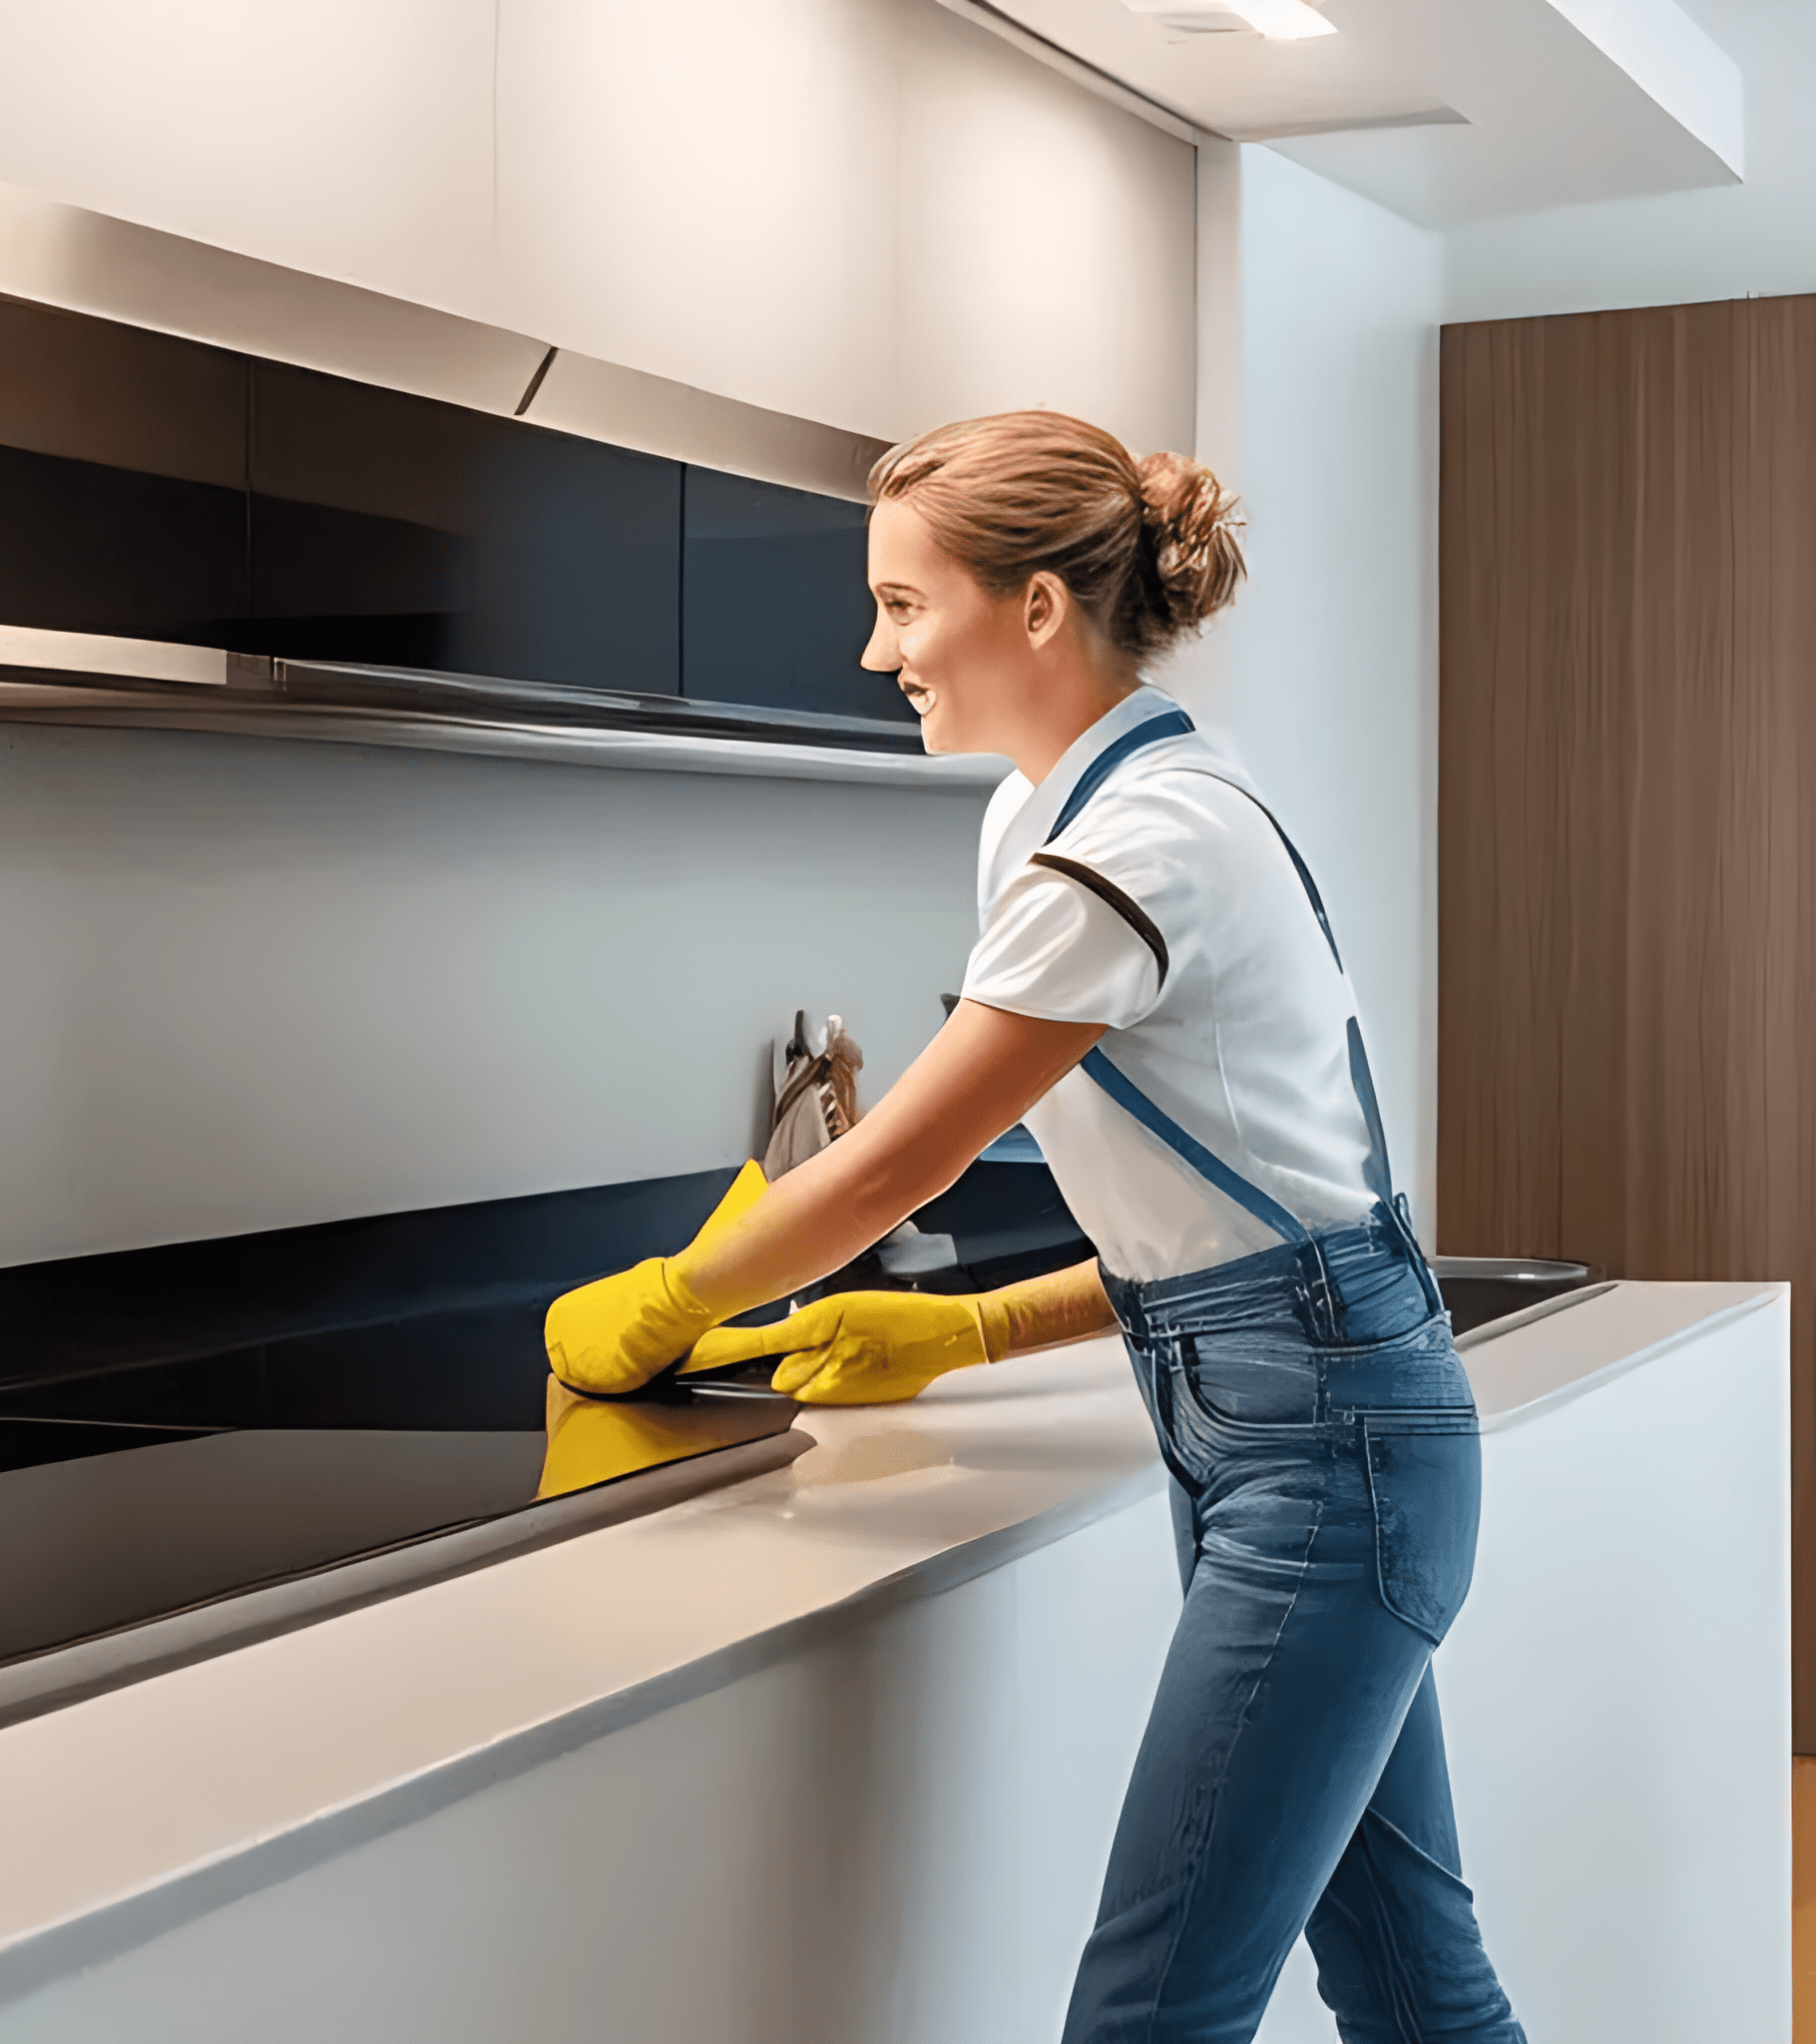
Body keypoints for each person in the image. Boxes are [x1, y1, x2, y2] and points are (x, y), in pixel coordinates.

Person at [543, 411, 1526, 2044]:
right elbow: (1217, 1229)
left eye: (906, 604)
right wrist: (979, 1327)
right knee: (1414, 1987)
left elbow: (884, 1175)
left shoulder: (1137, 844)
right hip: (1295, 1427)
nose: (878, 649)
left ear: (1041, 610)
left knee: (1152, 2015)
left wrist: (661, 1298)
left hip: (1327, 1453)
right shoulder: (1059, 813)